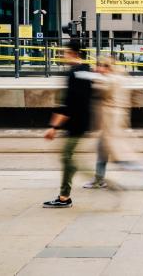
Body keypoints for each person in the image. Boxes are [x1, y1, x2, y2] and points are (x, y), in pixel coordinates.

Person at [83, 57, 143, 189]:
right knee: (103, 151)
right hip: (114, 120)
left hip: (110, 122)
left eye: (100, 66)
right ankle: (99, 179)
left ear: (107, 67)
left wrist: (93, 78)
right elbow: (133, 93)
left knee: (119, 156)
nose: (97, 69)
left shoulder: (111, 80)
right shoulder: (120, 77)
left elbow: (103, 90)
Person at [43, 39, 93, 208]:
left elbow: (69, 104)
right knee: (68, 157)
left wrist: (53, 127)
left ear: (73, 53)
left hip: (75, 123)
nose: (63, 56)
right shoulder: (86, 70)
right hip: (84, 121)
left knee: (67, 157)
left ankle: (65, 196)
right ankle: (65, 194)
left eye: (64, 52)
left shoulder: (73, 73)